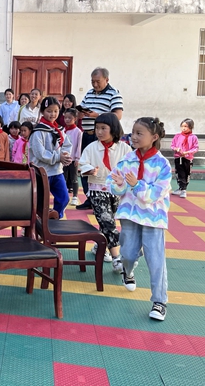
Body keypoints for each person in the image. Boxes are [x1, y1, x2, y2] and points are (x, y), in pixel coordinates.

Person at [109, 117, 171, 321]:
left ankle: (159, 302)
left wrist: (136, 185)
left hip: (153, 219)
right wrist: (118, 184)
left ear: (154, 137)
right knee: (126, 254)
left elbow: (155, 194)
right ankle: (129, 270)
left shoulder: (163, 165)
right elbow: (114, 183)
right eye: (133, 132)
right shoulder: (127, 160)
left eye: (139, 133)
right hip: (130, 216)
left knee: (156, 260)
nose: (133, 137)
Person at [79, 113, 132, 268]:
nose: (99, 132)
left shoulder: (124, 148)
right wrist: (89, 170)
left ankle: (100, 245)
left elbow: (131, 167)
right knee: (108, 221)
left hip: (116, 191)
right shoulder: (91, 147)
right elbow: (82, 164)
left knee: (108, 221)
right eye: (97, 128)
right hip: (96, 189)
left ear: (114, 129)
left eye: (103, 128)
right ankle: (117, 258)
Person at [76, 67, 124, 210]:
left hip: (103, 137)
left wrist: (96, 115)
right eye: (92, 81)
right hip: (87, 134)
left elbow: (117, 116)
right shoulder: (89, 93)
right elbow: (84, 108)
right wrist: (81, 113)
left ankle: (106, 197)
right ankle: (90, 197)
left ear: (106, 80)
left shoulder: (113, 94)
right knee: (85, 166)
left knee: (101, 167)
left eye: (98, 81)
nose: (94, 85)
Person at [29, 97, 72, 219]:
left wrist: (65, 156)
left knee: (64, 198)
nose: (52, 114)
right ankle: (38, 224)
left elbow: (67, 145)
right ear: (42, 111)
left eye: (55, 111)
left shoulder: (59, 130)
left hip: (57, 171)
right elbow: (40, 153)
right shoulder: (38, 131)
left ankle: (54, 218)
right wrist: (58, 157)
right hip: (42, 171)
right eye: (49, 111)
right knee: (41, 202)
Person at [171, 118, 199, 198]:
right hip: (178, 157)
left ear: (191, 127)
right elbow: (172, 145)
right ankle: (181, 188)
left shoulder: (194, 137)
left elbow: (196, 148)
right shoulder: (177, 136)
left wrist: (187, 152)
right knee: (179, 173)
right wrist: (177, 149)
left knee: (186, 174)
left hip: (187, 158)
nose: (183, 128)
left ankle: (184, 189)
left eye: (186, 126)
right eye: (182, 126)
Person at [62, 108, 83, 206]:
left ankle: (75, 196)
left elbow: (79, 146)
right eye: (65, 118)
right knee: (63, 177)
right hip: (63, 158)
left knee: (74, 178)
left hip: (73, 158)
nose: (67, 120)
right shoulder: (62, 130)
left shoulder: (78, 131)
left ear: (75, 118)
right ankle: (64, 195)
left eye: (69, 118)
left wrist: (77, 158)